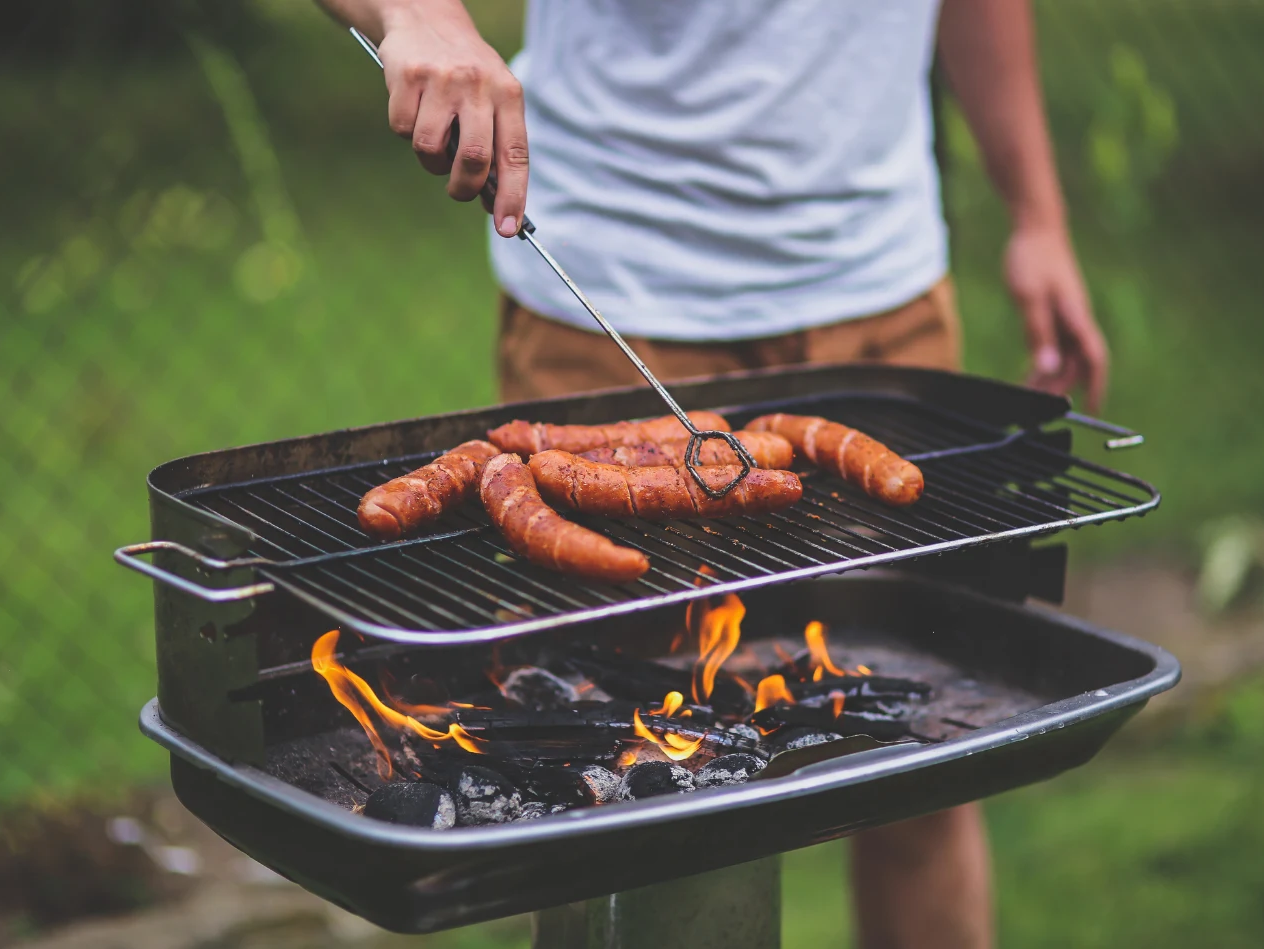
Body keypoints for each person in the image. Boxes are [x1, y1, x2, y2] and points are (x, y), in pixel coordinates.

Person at [320, 2, 1110, 946]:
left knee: (922, 766)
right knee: (612, 789)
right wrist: (418, 16)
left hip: (880, 294)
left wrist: (1039, 214)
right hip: (611, 291)